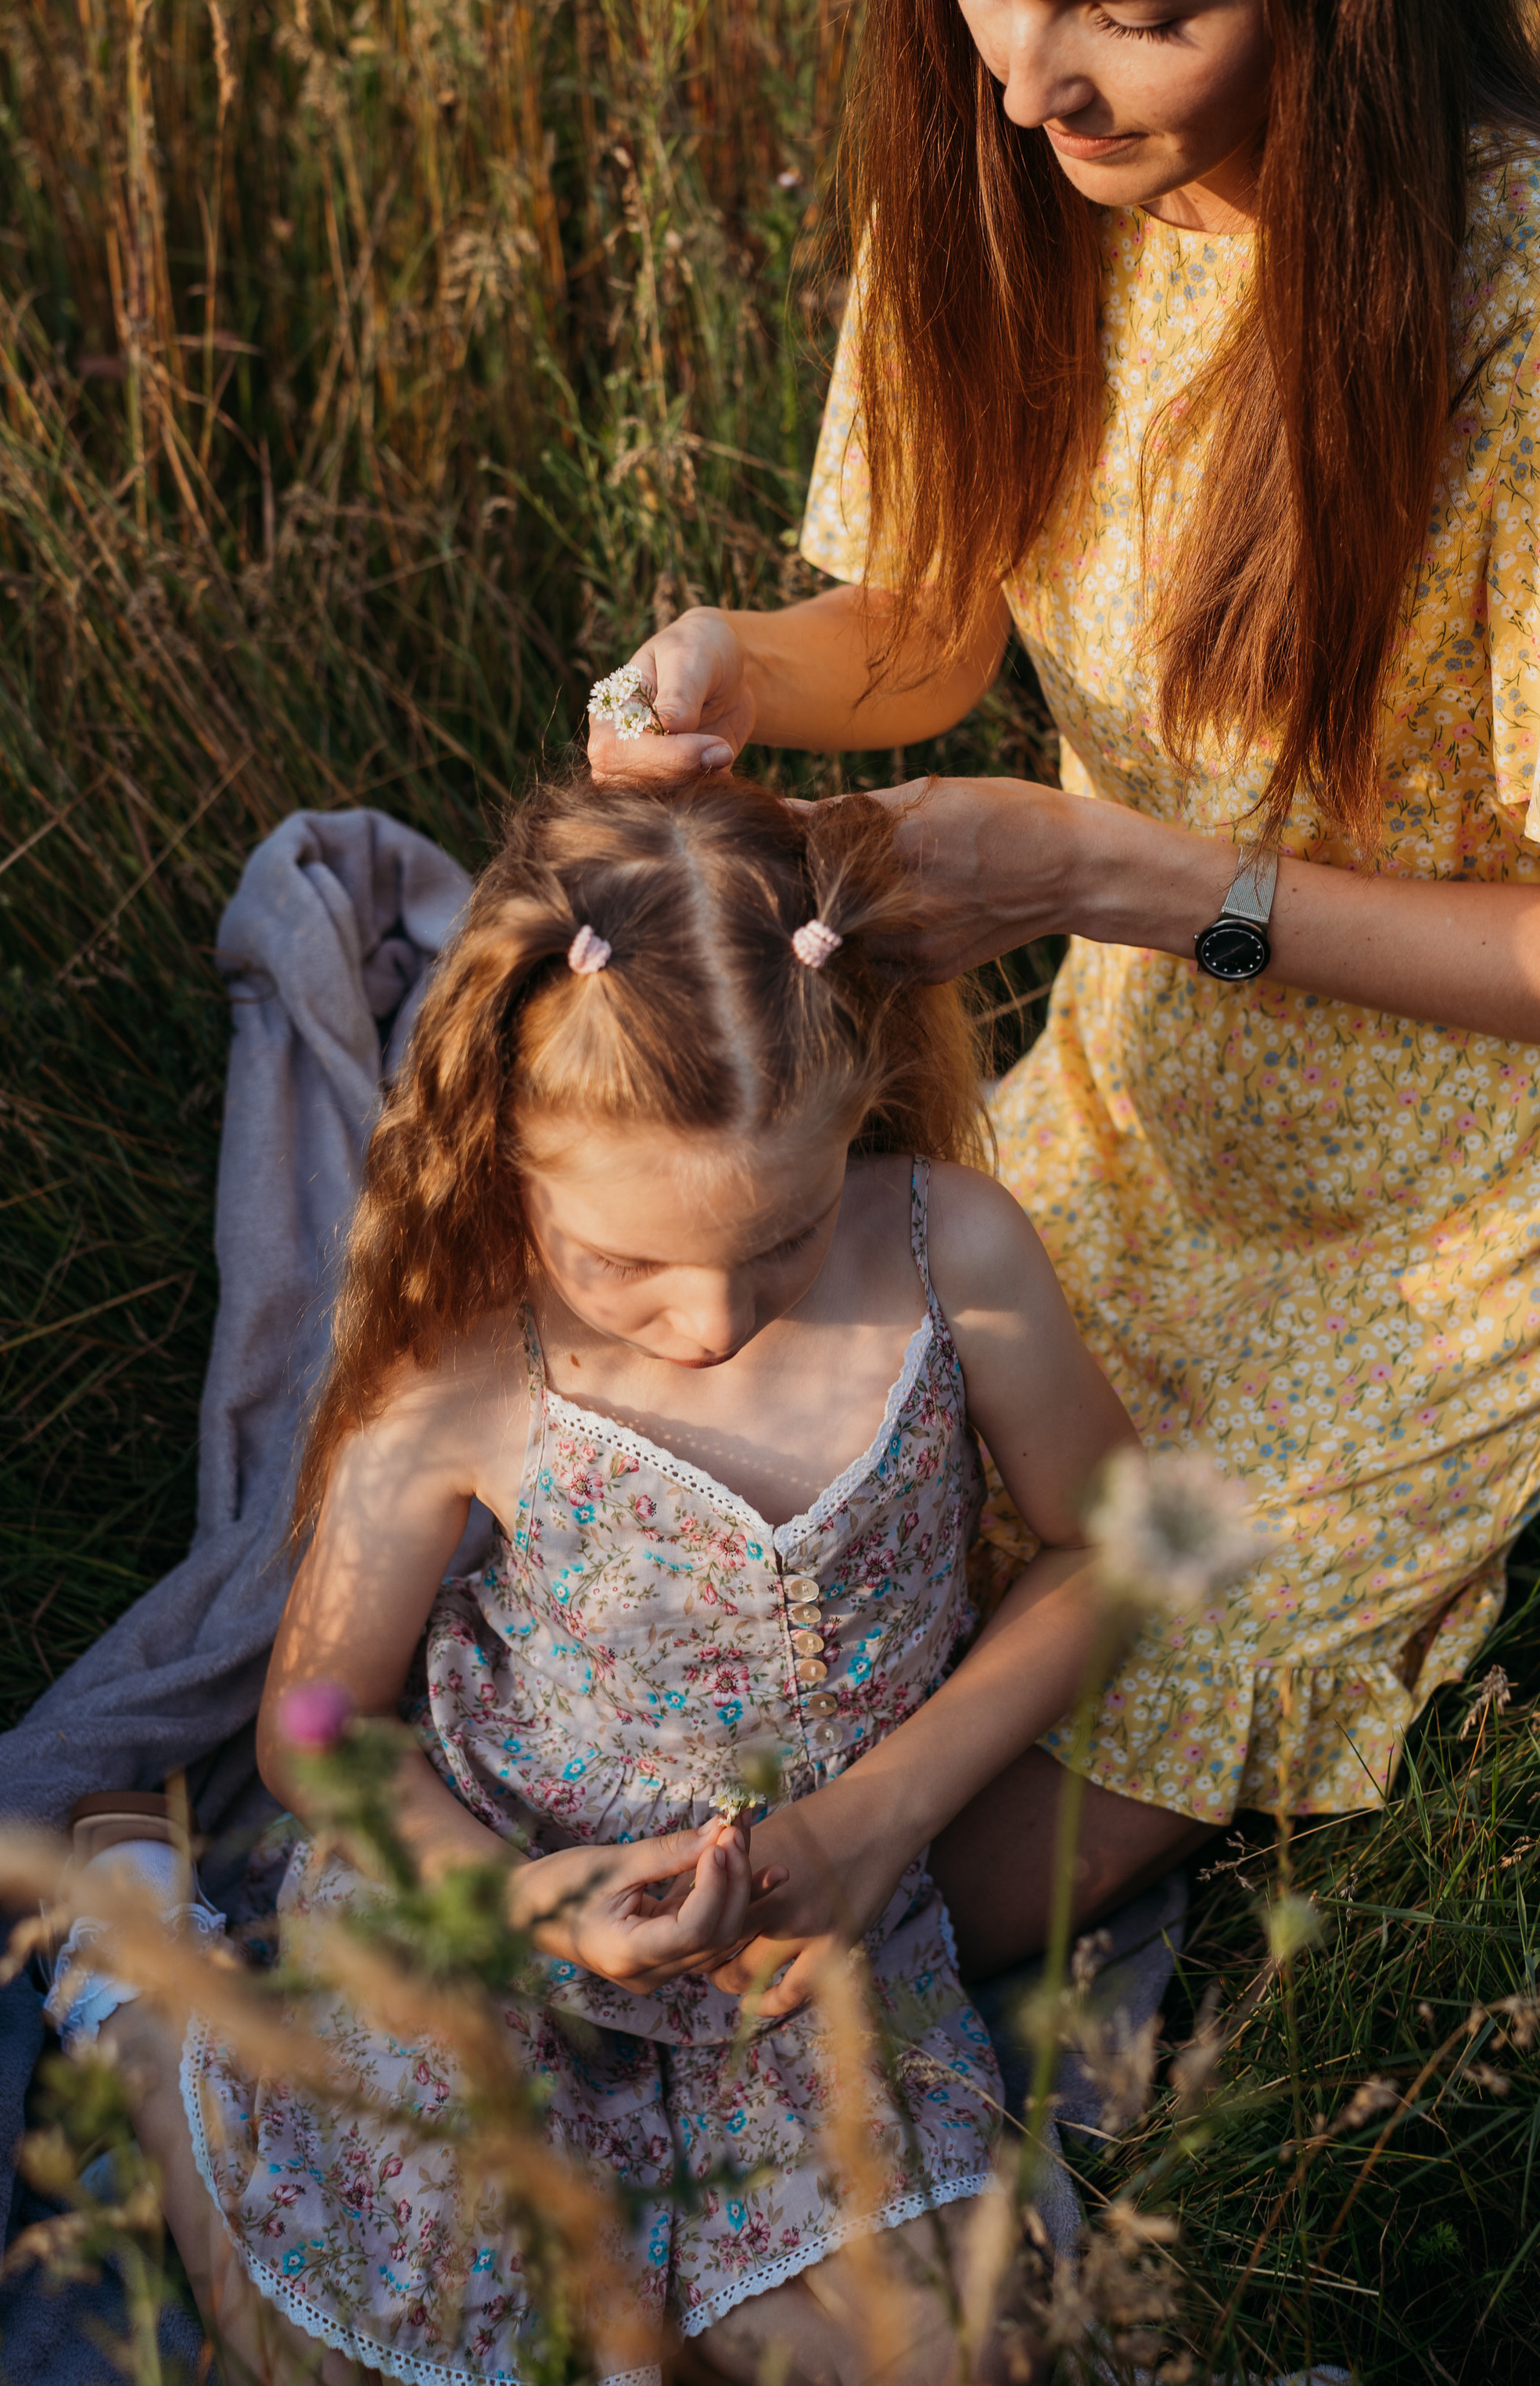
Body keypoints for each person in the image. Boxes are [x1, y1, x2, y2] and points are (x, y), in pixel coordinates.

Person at [589, 0, 1540, 1974]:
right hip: (1125, 1132)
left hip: (1458, 1203)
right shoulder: (1007, 176)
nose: (1029, 77)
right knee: (790, 1627)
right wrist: (736, 669)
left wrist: (1122, 878)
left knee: (962, 1890)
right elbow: (921, 620)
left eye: (1124, 6)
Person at [65, 774, 1139, 2385]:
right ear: (506, 1153)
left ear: (853, 1105)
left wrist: (880, 1816)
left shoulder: (947, 1259)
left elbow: (1104, 1546)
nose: (709, 1319)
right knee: (387, 2355)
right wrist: (527, 1904)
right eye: (626, 1262)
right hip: (501, 1904)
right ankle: (150, 2000)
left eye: (776, 1237)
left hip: (806, 1942)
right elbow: (312, 1724)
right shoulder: (465, 1369)